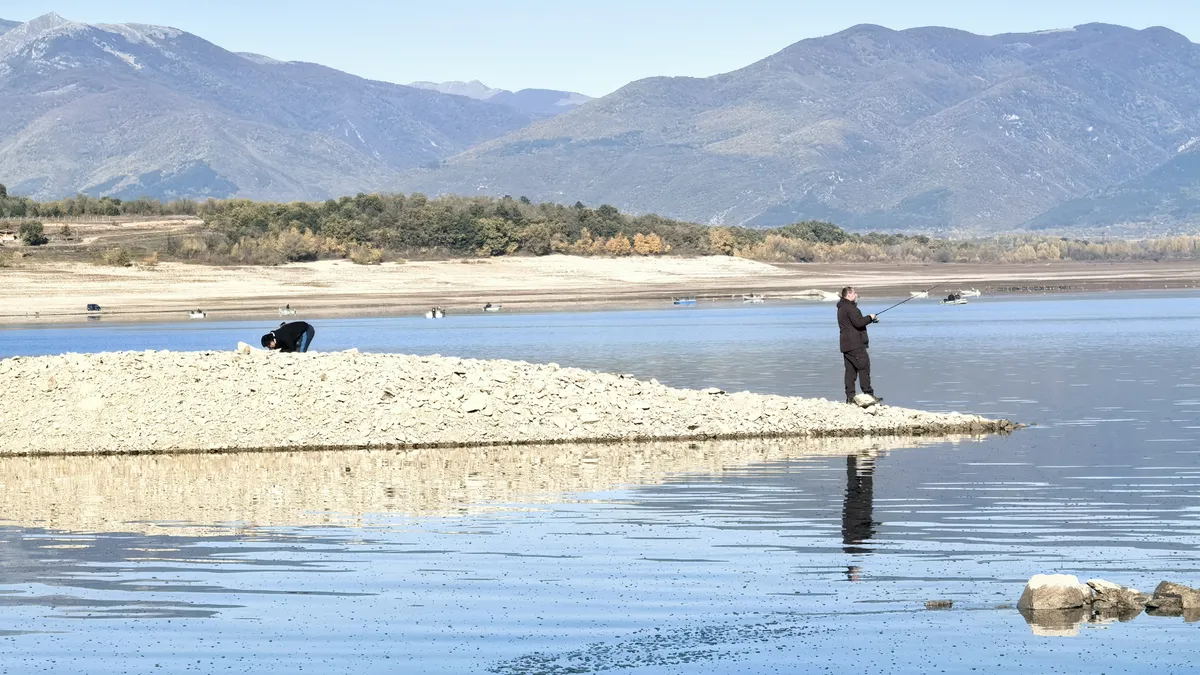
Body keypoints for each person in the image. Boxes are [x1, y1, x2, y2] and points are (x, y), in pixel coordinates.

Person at [837, 287, 881, 405]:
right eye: (855, 293)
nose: (856, 295)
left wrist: (869, 320)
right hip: (856, 344)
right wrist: (870, 317)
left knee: (850, 371)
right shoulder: (850, 308)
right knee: (864, 367)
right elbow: (858, 322)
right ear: (849, 294)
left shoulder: (841, 308)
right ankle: (869, 395)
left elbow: (855, 323)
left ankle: (850, 397)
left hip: (846, 345)